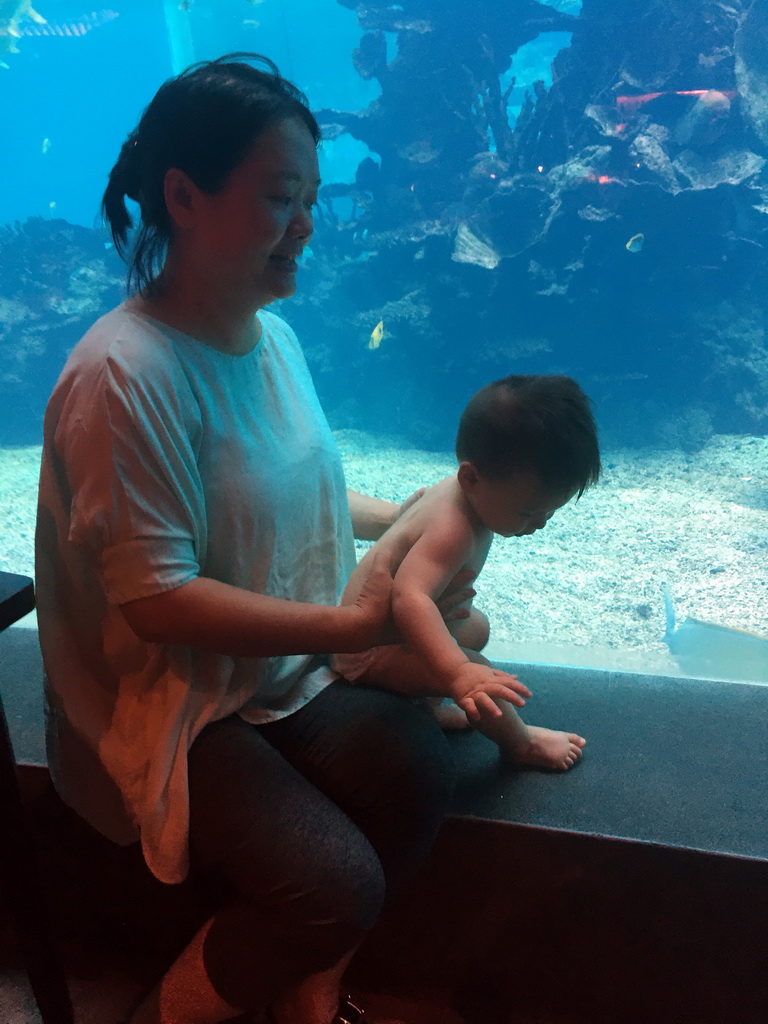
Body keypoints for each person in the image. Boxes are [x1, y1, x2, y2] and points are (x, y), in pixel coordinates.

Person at [34, 54, 530, 1024]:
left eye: (310, 197)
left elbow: (306, 495)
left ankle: (301, 991)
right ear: (184, 196)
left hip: (262, 674)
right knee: (336, 884)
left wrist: (422, 516)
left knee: (418, 769)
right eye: (278, 198)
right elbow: (159, 599)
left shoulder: (273, 337)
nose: (306, 223)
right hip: (163, 702)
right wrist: (352, 627)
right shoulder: (121, 377)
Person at [333, 374, 601, 772]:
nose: (540, 524)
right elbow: (410, 596)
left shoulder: (471, 494)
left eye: (549, 512)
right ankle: (519, 743)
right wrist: (458, 673)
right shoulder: (451, 527)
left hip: (392, 636)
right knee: (477, 668)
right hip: (366, 653)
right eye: (528, 512)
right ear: (471, 477)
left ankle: (426, 707)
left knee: (476, 627)